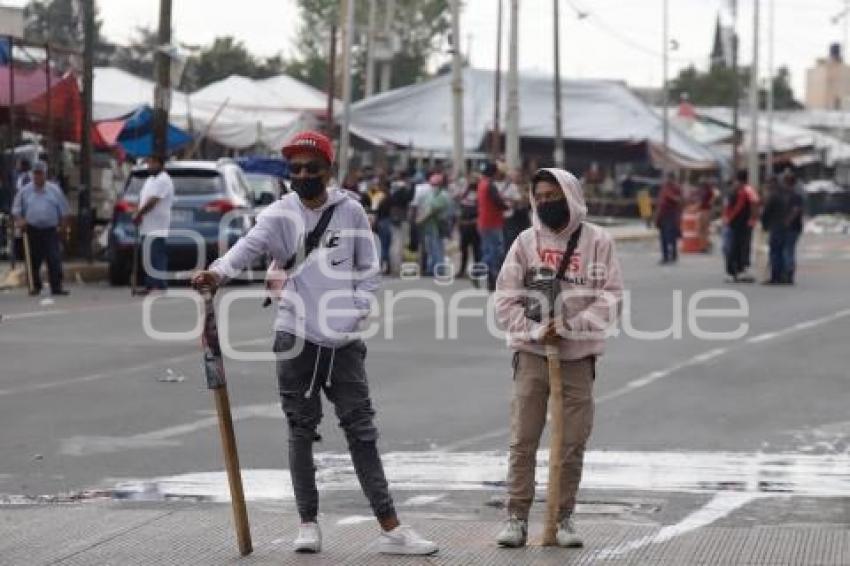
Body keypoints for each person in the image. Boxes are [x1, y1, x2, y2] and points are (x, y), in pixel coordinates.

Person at [191, 131, 438, 557]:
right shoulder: (278, 215)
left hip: (343, 341)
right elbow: (246, 249)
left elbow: (369, 269)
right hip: (296, 335)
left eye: (311, 168)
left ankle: (391, 527)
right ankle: (307, 523)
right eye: (296, 169)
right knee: (300, 430)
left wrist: (356, 308)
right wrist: (216, 273)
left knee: (361, 432)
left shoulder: (351, 211)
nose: (303, 175)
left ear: (328, 169)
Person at [494, 168, 623, 549]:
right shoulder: (525, 241)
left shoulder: (598, 241)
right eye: (541, 196)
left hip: (577, 356)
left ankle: (562, 516)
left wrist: (572, 326)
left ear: (571, 195)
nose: (547, 202)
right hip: (532, 353)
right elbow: (504, 298)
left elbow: (611, 296)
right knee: (524, 438)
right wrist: (535, 330)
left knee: (571, 441)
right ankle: (516, 517)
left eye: (555, 194)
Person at [12, 160, 71, 296]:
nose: (38, 177)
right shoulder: (25, 191)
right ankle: (35, 286)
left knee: (54, 258)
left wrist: (63, 228)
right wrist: (20, 220)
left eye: (41, 173)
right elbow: (16, 210)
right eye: (36, 174)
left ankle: (56, 287)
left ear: (45, 174)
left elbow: (64, 211)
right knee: (33, 260)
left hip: (50, 230)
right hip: (32, 229)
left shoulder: (54, 190)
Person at [132, 154, 174, 294]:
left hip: (157, 226)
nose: (149, 166)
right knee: (148, 256)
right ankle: (150, 284)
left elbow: (153, 201)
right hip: (147, 225)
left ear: (160, 164)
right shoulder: (150, 180)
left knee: (156, 255)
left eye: (152, 163)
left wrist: (139, 213)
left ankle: (159, 284)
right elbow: (143, 199)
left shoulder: (163, 180)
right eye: (149, 163)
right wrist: (138, 212)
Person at [761, 171, 803, 285]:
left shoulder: (775, 195)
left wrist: (765, 224)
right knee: (784, 251)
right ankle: (784, 275)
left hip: (780, 227)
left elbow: (767, 212)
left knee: (778, 251)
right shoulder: (789, 194)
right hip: (786, 227)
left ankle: (779, 275)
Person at [723, 171, 759, 283]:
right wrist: (753, 219)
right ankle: (740, 270)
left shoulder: (733, 190)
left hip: (734, 223)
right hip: (742, 224)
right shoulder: (748, 190)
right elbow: (755, 204)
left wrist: (727, 219)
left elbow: (727, 206)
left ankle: (734, 271)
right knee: (741, 247)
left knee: (733, 247)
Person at [478, 162, 509, 291]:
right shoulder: (490, 185)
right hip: (493, 222)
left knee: (488, 250)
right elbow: (497, 202)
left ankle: (491, 280)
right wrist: (506, 206)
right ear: (494, 172)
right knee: (494, 252)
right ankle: (479, 270)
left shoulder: (482, 183)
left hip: (483, 221)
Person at [417, 173, 450, 276]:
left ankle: (439, 270)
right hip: (430, 226)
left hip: (437, 226)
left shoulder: (443, 196)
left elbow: (432, 210)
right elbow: (426, 207)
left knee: (437, 248)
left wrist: (419, 220)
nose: (433, 187)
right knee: (431, 248)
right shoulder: (432, 194)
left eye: (435, 185)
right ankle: (431, 268)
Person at [454, 177, 481, 280]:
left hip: (473, 225)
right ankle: (462, 270)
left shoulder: (479, 196)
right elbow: (459, 210)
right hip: (465, 226)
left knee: (476, 249)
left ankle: (476, 270)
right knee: (465, 249)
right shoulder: (464, 195)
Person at [655, 172, 683, 264]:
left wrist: (672, 198)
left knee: (670, 236)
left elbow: (679, 200)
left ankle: (672, 255)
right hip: (663, 215)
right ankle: (666, 256)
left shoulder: (675, 188)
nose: (667, 180)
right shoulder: (664, 188)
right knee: (663, 237)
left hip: (670, 214)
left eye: (669, 178)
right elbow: (660, 202)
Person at [502, 168, 531, 252]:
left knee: (524, 242)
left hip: (523, 217)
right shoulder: (506, 187)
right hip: (510, 219)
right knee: (509, 243)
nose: (514, 178)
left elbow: (527, 200)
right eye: (512, 176)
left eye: (517, 176)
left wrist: (514, 200)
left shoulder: (526, 187)